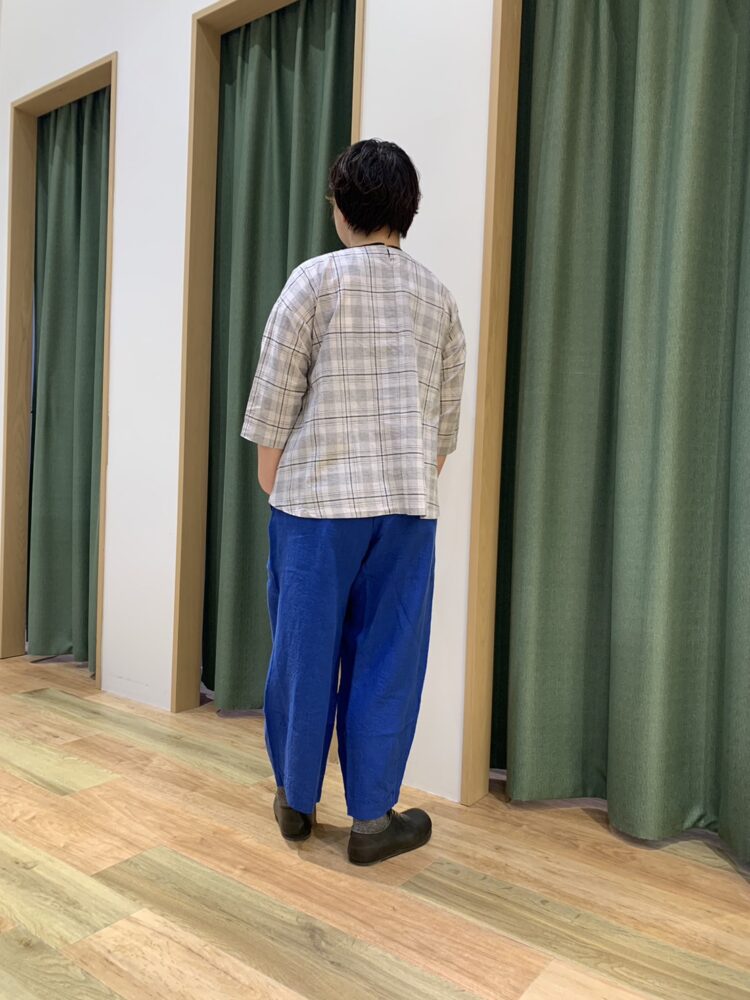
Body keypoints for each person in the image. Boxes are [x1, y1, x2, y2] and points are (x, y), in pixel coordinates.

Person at [241, 138, 466, 865]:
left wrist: (276, 483)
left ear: (341, 207)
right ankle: (371, 824)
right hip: (406, 509)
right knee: (388, 658)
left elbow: (274, 404)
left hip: (314, 507)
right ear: (408, 211)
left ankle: (296, 803)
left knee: (302, 655)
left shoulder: (313, 282)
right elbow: (443, 428)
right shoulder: (438, 299)